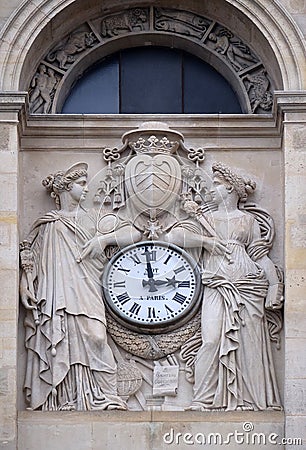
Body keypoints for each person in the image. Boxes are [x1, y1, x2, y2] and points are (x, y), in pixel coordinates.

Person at [166, 162, 282, 411]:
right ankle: (204, 397)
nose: (212, 188)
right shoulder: (205, 218)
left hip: (247, 284)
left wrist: (274, 284)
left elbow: (260, 256)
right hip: (216, 284)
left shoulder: (248, 221)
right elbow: (173, 237)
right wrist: (206, 242)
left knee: (249, 342)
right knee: (211, 339)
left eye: (217, 184)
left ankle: (251, 399)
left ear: (230, 188)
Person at [20, 162, 135, 411]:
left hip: (88, 286)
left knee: (95, 336)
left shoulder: (94, 218)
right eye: (81, 184)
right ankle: (66, 397)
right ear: (65, 188)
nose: (86, 189)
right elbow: (30, 255)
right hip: (55, 292)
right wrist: (25, 284)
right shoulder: (48, 223)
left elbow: (134, 232)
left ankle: (106, 395)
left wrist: (103, 240)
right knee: (59, 340)